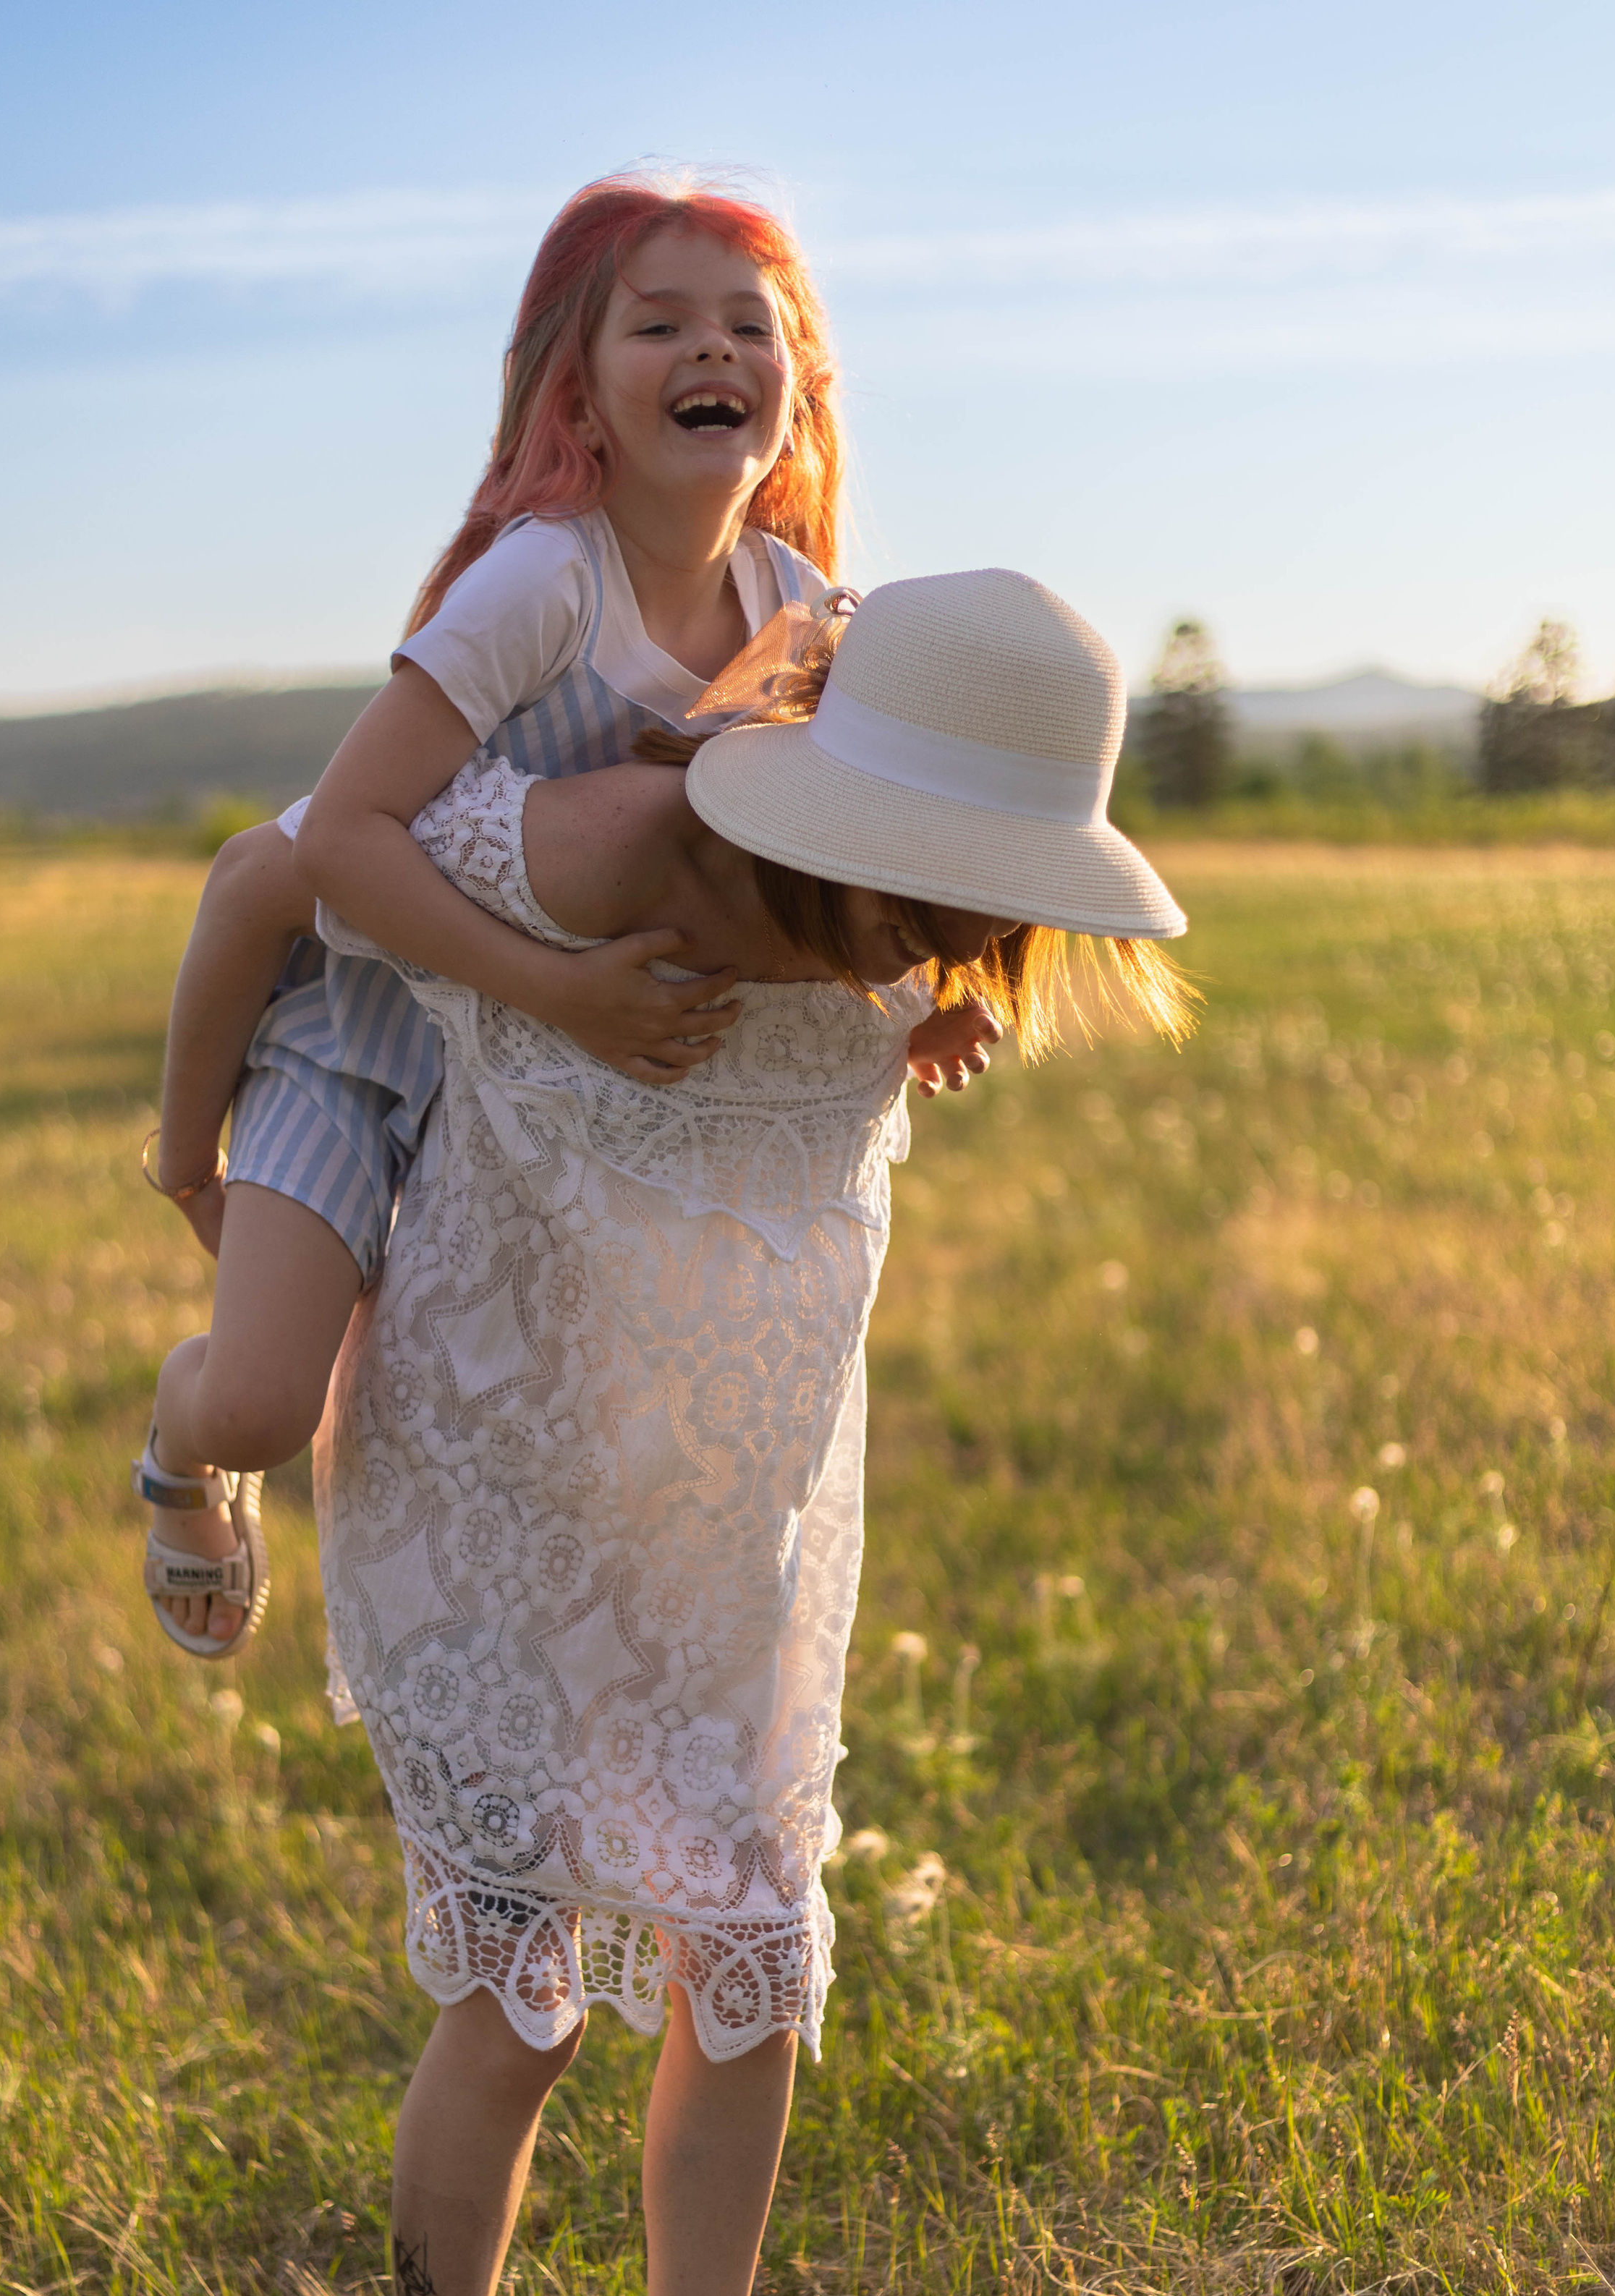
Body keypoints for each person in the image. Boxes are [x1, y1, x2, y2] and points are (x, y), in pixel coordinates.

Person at [306, 568, 1194, 2296]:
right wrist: (213, 1157)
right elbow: (297, 875)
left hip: (743, 1528)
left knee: (748, 1977)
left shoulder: (917, 959)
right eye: (930, 884)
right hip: (510, 1493)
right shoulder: (604, 850)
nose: (944, 934)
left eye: (984, 897)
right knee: (515, 1998)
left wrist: (935, 1001)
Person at [131, 172, 987, 1654]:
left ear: (799, 388)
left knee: (585, 1444)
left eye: (751, 326)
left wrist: (905, 1006)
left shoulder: (802, 614)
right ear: (577, 390)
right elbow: (325, 843)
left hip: (559, 1077)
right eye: (659, 325)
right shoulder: (542, 583)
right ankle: (173, 1442)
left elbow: (799, 864)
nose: (713, 351)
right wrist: (190, 1154)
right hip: (383, 1010)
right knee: (271, 1400)